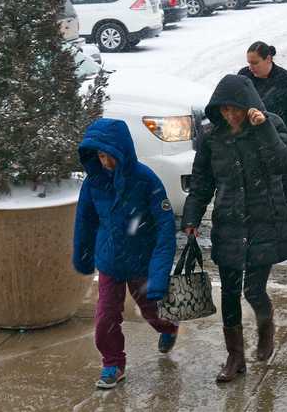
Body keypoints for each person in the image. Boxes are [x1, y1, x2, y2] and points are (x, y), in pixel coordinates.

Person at [181, 74, 287, 383]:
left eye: (236, 109)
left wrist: (263, 129)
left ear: (249, 106)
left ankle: (265, 323)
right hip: (229, 222)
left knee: (254, 289)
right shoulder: (212, 137)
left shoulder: (270, 124)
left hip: (265, 220)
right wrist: (192, 217)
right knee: (230, 293)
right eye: (224, 109)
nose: (230, 115)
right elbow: (202, 182)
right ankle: (235, 356)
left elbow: (283, 164)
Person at [73, 118, 178, 389]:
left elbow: (165, 226)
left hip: (141, 262)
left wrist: (158, 275)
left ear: (122, 152)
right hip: (110, 262)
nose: (105, 162)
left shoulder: (145, 180)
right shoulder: (94, 182)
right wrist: (83, 255)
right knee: (105, 318)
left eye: (109, 156)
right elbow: (85, 220)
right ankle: (113, 363)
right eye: (100, 156)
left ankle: (168, 327)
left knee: (152, 311)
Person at [238, 41, 287, 204]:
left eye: (255, 63)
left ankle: (283, 227)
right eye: (249, 63)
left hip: (284, 142)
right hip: (254, 143)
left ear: (268, 59)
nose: (251, 67)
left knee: (281, 187)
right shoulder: (244, 77)